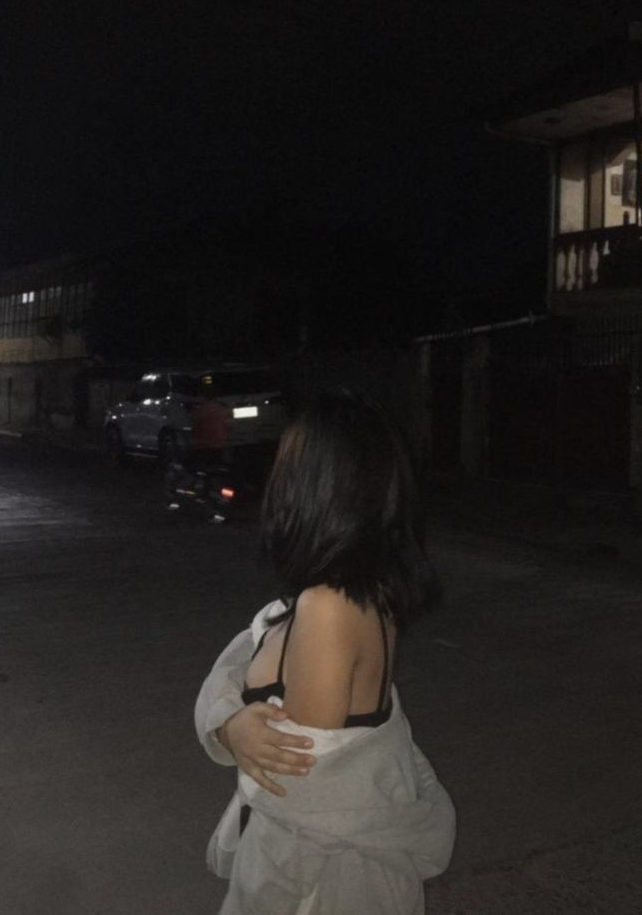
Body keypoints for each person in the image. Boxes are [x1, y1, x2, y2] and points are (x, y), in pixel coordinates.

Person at [195, 389, 456, 915]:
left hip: (318, 886)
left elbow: (305, 800)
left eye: (287, 462)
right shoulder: (355, 593)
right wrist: (231, 725)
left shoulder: (329, 607)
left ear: (313, 486)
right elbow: (240, 662)